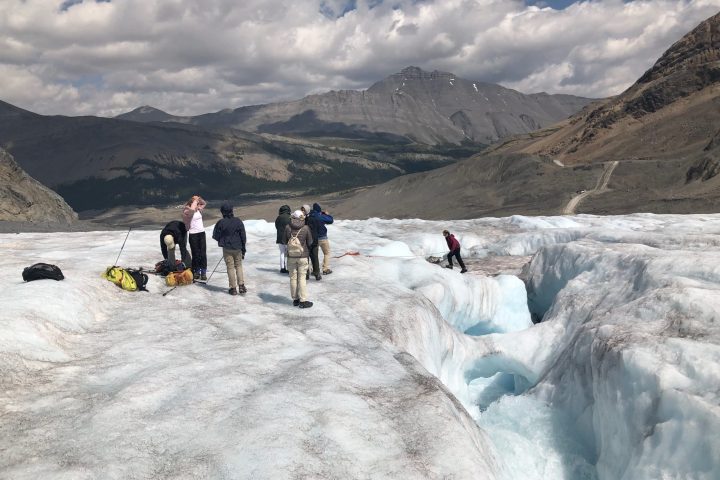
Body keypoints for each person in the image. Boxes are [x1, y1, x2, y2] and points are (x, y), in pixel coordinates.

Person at [212, 202, 247, 295]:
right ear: (231, 211)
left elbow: (215, 236)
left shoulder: (221, 223)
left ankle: (233, 288)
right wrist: (243, 249)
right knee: (238, 266)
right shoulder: (238, 221)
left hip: (227, 248)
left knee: (230, 267)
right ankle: (241, 285)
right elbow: (243, 236)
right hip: (238, 247)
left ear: (223, 212)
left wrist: (223, 239)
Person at [284, 210, 314, 308]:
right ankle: (303, 300)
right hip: (303, 256)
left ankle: (295, 299)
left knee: (293, 278)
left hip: (291, 256)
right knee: (302, 278)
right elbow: (310, 242)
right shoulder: (306, 228)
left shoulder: (288, 227)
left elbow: (284, 241)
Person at [183, 195, 208, 281]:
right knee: (196, 253)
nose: (198, 204)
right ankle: (196, 271)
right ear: (191, 202)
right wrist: (195, 200)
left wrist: (199, 198)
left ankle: (203, 272)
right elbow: (192, 210)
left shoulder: (198, 209)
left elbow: (204, 203)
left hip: (201, 233)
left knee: (203, 253)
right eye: (196, 202)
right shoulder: (187, 211)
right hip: (193, 234)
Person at [309, 203, 334, 275]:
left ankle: (314, 269)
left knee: (314, 254)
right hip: (322, 237)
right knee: (327, 253)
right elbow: (330, 220)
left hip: (313, 238)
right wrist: (327, 214)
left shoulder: (310, 216)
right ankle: (325, 269)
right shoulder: (321, 216)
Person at [302, 204, 321, 280]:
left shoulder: (306, 219)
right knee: (312, 258)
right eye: (302, 210)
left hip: (310, 241)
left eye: (303, 210)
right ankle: (315, 273)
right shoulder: (313, 218)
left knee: (311, 258)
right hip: (313, 240)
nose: (302, 211)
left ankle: (311, 273)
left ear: (307, 210)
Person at [274, 204, 292, 274]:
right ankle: (289, 268)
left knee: (282, 253)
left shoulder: (278, 218)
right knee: (289, 253)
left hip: (280, 238)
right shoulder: (290, 217)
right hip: (288, 238)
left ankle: (282, 268)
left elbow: (276, 226)